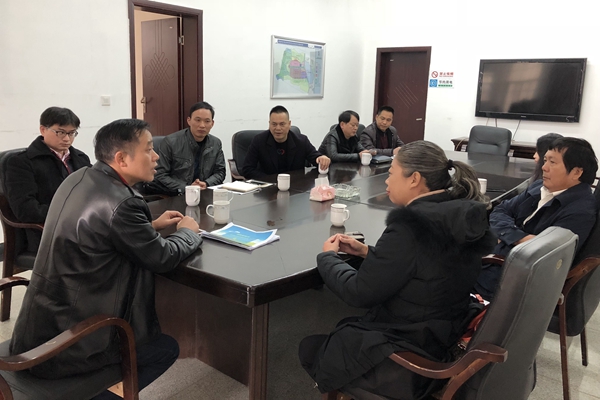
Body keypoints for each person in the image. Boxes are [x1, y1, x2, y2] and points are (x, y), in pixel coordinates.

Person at [9, 119, 202, 399]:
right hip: (74, 343)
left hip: (37, 331)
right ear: (121, 159)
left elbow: (99, 230)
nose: (156, 156)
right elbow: (162, 257)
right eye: (149, 149)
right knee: (165, 349)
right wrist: (187, 233)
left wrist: (150, 226)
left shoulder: (79, 177)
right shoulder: (124, 203)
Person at [299, 141, 495, 400]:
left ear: (414, 179)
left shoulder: (411, 227)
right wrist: (369, 252)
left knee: (310, 348)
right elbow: (427, 264)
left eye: (391, 173)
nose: (386, 181)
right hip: (443, 331)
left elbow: (358, 292)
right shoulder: (456, 213)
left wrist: (327, 258)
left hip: (412, 350)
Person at [475, 137, 598, 300]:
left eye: (552, 162)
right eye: (545, 160)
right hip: (494, 258)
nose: (544, 167)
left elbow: (545, 254)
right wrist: (519, 237)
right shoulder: (539, 186)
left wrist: (504, 236)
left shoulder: (580, 211)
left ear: (576, 172)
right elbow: (500, 210)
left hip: (509, 278)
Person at [5, 106, 91, 252]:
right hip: (45, 231)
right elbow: (25, 209)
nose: (67, 139)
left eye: (72, 133)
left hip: (82, 226)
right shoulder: (22, 162)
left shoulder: (81, 159)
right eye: (60, 132)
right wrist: (70, 214)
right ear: (43, 129)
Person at [152, 101, 226, 195]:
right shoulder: (170, 142)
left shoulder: (216, 143)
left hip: (204, 192)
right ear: (189, 120)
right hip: (176, 194)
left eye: (207, 121)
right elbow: (160, 174)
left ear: (212, 123)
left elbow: (220, 172)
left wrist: (206, 183)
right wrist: (187, 188)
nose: (202, 125)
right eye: (198, 120)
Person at [242, 105, 330, 179]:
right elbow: (247, 169)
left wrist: (322, 159)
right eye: (274, 124)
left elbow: (316, 159)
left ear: (289, 124)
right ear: (269, 124)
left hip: (296, 187)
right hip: (268, 188)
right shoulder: (259, 141)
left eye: (282, 124)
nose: (278, 128)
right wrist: (271, 180)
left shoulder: (301, 141)